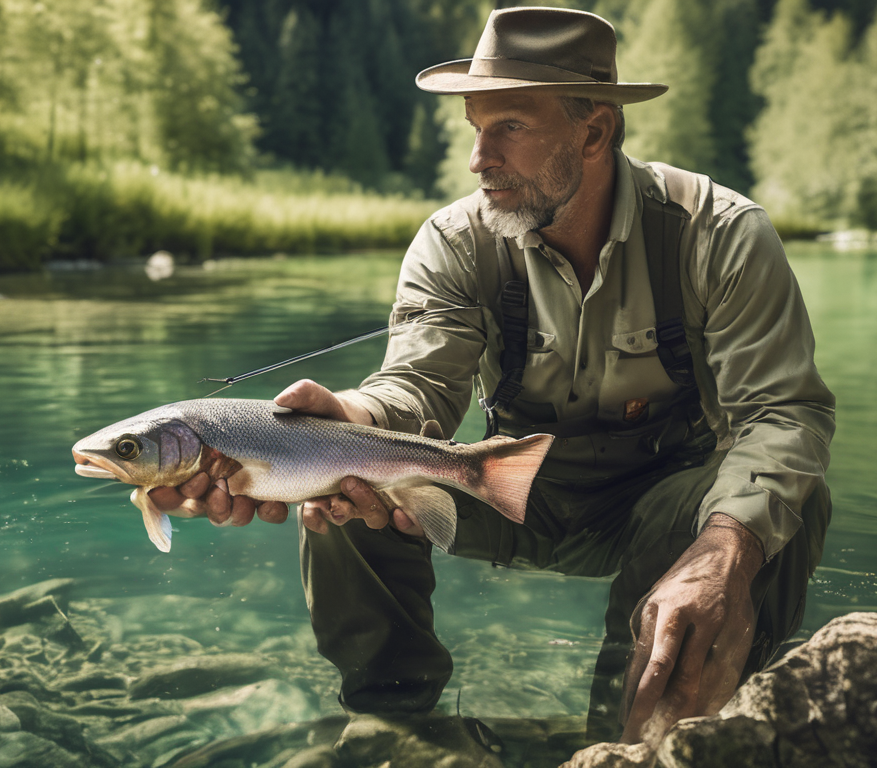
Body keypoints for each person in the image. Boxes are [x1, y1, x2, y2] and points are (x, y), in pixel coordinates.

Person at [148, 6, 833, 752]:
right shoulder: (454, 241)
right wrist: (347, 419)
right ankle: (394, 730)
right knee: (341, 481)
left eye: (507, 126)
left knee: (774, 511)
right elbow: (416, 387)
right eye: (475, 129)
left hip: (662, 510)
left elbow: (784, 416)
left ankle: (636, 742)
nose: (479, 158)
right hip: (506, 488)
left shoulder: (721, 235)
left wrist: (727, 543)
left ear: (595, 132)